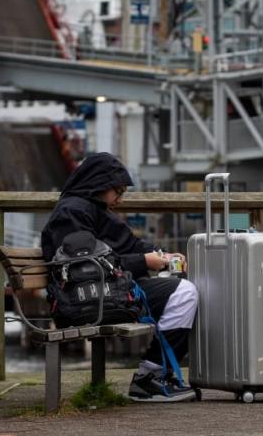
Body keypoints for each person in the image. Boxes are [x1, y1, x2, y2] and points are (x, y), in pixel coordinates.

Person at [41, 152, 198, 402]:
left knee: (185, 290)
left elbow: (129, 245)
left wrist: (159, 254)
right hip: (88, 300)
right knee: (184, 293)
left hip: (107, 293)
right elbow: (82, 267)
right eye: (118, 191)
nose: (120, 199)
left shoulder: (89, 209)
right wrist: (145, 261)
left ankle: (155, 376)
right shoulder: (72, 213)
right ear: (100, 185)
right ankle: (149, 379)